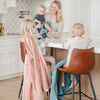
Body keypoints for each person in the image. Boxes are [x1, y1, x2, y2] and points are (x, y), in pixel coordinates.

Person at [20, 19, 50, 100]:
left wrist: (39, 34)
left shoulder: (25, 37)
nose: (34, 28)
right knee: (51, 60)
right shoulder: (29, 38)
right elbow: (36, 50)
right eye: (32, 26)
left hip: (28, 60)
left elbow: (33, 47)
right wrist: (46, 43)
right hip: (33, 61)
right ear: (28, 27)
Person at [61, 23, 92, 88]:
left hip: (72, 66)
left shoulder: (70, 40)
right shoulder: (86, 40)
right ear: (83, 32)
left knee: (62, 66)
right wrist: (89, 39)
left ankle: (63, 82)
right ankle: (73, 80)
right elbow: (90, 41)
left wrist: (65, 41)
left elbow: (65, 46)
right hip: (84, 65)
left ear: (73, 32)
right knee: (74, 65)